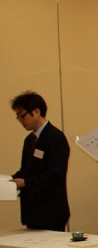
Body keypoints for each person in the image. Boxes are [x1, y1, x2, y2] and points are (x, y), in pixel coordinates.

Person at [9, 91, 70, 231]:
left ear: (36, 112)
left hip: (51, 211)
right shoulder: (29, 140)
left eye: (22, 115)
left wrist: (25, 183)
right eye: (17, 117)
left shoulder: (55, 137)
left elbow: (55, 174)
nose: (20, 120)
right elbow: (25, 171)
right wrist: (8, 181)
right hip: (32, 211)